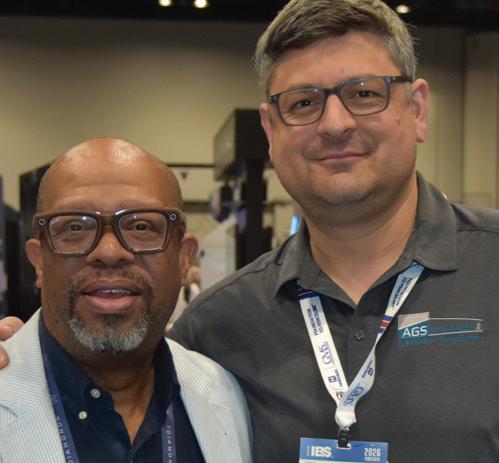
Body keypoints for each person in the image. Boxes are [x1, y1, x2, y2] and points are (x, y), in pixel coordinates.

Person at [2, 1, 499, 462]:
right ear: (271, 131)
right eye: (302, 103)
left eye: (364, 93)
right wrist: (20, 357)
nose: (335, 123)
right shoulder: (217, 327)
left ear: (417, 108)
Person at [0, 138, 252, 462]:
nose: (109, 251)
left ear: (183, 259)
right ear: (38, 262)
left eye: (141, 226)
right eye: (75, 226)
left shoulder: (226, 396)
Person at [165, 265, 201, 333]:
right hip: (173, 326)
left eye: (188, 276)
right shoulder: (175, 289)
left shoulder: (194, 289)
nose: (187, 279)